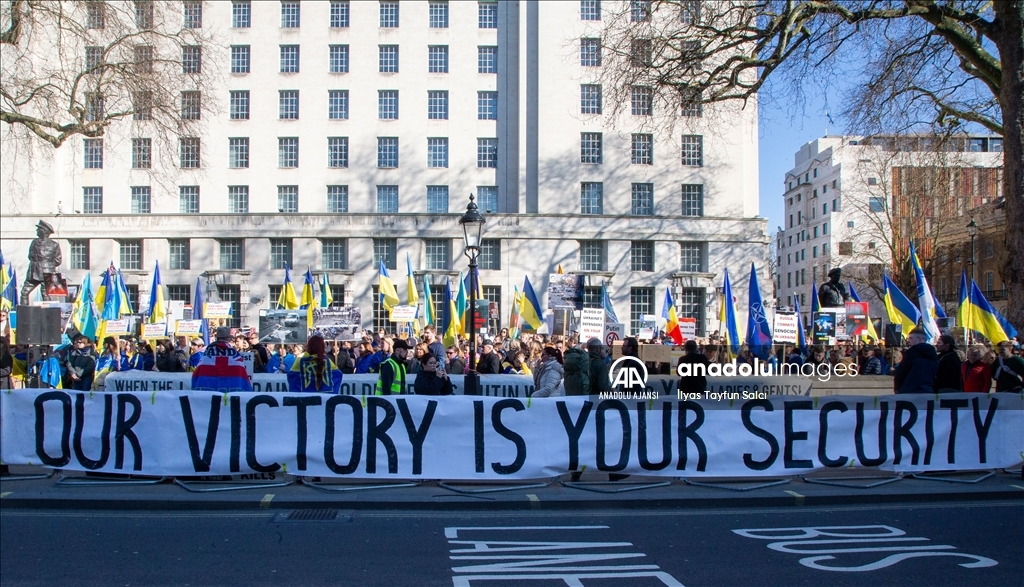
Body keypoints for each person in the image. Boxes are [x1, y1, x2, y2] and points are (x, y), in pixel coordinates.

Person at [192, 326, 252, 391]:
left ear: (217, 338)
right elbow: (243, 377)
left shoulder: (207, 354)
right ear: (229, 338)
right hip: (230, 395)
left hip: (209, 395)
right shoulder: (235, 355)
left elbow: (197, 375)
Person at [21, 220, 63, 302]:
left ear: (43, 231)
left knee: (45, 294)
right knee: (25, 293)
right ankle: (24, 314)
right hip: (34, 272)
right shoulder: (34, 242)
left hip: (45, 272)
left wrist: (46, 265)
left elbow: (58, 260)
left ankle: (47, 314)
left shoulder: (54, 244)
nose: (37, 230)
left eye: (38, 229)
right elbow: (30, 256)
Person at [893, 328, 938, 394]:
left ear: (920, 339)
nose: (908, 341)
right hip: (928, 390)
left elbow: (901, 371)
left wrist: (897, 387)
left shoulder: (911, 353)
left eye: (911, 338)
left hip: (910, 390)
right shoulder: (934, 354)